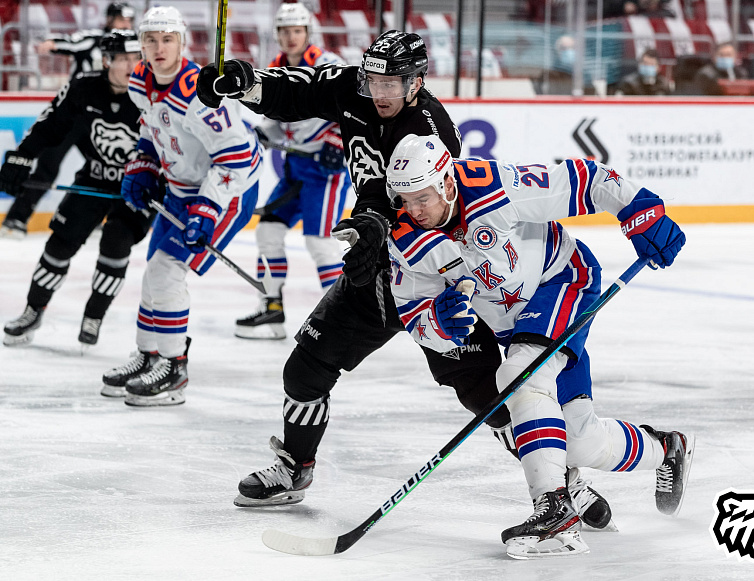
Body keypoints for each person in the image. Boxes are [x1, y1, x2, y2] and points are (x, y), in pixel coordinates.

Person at [195, 30, 613, 527]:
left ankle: (563, 479)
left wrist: (375, 225)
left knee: (492, 398)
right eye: (375, 80)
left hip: (432, 278)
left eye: (394, 82)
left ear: (417, 82)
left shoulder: (431, 132)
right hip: (374, 272)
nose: (382, 92)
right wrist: (243, 84)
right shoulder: (357, 88)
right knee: (305, 369)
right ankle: (294, 466)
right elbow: (300, 92)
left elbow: (425, 218)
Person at [385, 134, 694, 558]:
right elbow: (415, 320)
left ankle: (553, 511)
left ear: (447, 184)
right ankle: (666, 448)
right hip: (515, 329)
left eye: (422, 197)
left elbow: (587, 178)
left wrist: (641, 213)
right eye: (404, 199)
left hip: (564, 281)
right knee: (581, 441)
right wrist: (440, 322)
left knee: (518, 376)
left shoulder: (494, 187)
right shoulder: (405, 240)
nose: (413, 210)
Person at [100, 6, 261, 407]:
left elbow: (236, 156)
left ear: (182, 43)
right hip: (179, 190)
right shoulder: (140, 80)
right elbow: (153, 131)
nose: (158, 48)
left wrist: (207, 208)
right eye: (150, 40)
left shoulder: (200, 92)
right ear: (141, 45)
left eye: (167, 40)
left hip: (227, 191)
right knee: (153, 270)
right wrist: (142, 165)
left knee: (166, 271)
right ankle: (149, 354)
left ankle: (175, 369)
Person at [2, 30, 150, 348]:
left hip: (136, 188)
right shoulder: (84, 87)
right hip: (93, 179)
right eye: (122, 59)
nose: (130, 66)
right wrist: (21, 156)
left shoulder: (154, 93)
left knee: (116, 245)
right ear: (107, 60)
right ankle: (32, 311)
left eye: (136, 59)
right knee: (59, 245)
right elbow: (50, 123)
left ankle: (94, 315)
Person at [235, 3, 351, 340]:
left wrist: (336, 140)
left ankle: (341, 320)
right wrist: (262, 135)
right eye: (284, 31)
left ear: (307, 33)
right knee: (267, 232)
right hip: (294, 169)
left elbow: (352, 105)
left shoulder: (326, 64)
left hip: (323, 172)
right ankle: (271, 311)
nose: (290, 37)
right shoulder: (274, 68)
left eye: (296, 30)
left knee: (321, 244)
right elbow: (275, 119)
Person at [0, 2, 136, 239]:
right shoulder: (94, 39)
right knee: (47, 168)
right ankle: (15, 219)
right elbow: (70, 42)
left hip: (100, 120)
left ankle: (99, 219)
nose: (126, 24)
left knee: (106, 169)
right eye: (121, 19)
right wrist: (52, 45)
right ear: (109, 19)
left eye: (129, 20)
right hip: (73, 116)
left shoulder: (133, 47)